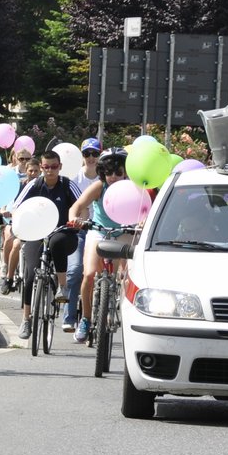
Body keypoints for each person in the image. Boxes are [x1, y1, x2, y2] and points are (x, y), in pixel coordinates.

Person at [9, 149, 81, 340]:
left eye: (54, 167)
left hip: (63, 233)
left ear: (60, 167)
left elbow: (82, 206)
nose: (50, 171)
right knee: (30, 273)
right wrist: (14, 223)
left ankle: (63, 287)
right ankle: (26, 319)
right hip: (37, 233)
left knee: (57, 243)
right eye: (46, 167)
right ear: (41, 167)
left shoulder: (67, 185)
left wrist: (79, 221)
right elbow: (17, 207)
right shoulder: (34, 185)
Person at [66, 147, 130, 344]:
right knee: (89, 274)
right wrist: (74, 219)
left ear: (126, 172)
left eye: (118, 172)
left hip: (124, 233)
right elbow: (76, 206)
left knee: (126, 277)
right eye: (108, 172)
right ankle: (85, 319)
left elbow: (147, 210)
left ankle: (126, 316)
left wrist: (143, 221)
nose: (113, 176)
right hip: (99, 231)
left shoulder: (134, 188)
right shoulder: (99, 187)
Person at [63, 138, 103, 330]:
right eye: (87, 154)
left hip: (101, 231)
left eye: (95, 154)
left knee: (103, 276)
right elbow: (74, 206)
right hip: (80, 231)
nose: (91, 158)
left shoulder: (106, 178)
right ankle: (69, 317)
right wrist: (74, 220)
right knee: (75, 271)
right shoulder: (74, 178)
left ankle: (104, 311)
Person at [0, 148, 37, 294]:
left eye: (36, 171)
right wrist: (7, 211)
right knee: (15, 243)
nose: (33, 174)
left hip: (39, 224)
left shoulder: (43, 185)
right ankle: (9, 277)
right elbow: (11, 201)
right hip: (20, 222)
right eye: (30, 170)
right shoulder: (19, 185)